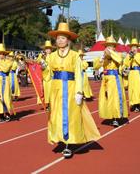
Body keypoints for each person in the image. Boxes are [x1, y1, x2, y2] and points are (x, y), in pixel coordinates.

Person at [42, 23, 100, 158]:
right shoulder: (51, 56)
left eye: (62, 38)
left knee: (71, 115)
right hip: (56, 89)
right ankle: (60, 138)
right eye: (57, 38)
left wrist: (79, 91)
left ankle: (69, 142)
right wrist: (44, 67)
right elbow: (47, 75)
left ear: (68, 40)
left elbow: (79, 74)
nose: (59, 41)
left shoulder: (74, 56)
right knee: (56, 115)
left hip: (71, 87)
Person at [94, 35, 128, 127]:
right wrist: (102, 58)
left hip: (114, 79)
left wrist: (111, 53)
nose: (108, 48)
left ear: (114, 47)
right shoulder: (103, 57)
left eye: (111, 46)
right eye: (107, 46)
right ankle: (110, 115)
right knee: (106, 98)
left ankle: (116, 117)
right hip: (105, 79)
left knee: (115, 98)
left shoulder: (118, 55)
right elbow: (96, 66)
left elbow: (120, 60)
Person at [123, 38, 140, 112]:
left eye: (135, 47)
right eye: (132, 47)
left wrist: (134, 56)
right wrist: (130, 57)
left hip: (139, 73)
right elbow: (126, 64)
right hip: (132, 74)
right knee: (133, 89)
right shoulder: (128, 55)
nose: (133, 48)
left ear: (137, 48)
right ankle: (134, 104)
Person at [36, 40, 54, 109]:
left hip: (52, 76)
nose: (48, 50)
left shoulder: (53, 56)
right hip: (44, 76)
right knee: (45, 91)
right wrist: (40, 57)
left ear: (51, 49)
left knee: (51, 91)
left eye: (49, 48)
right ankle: (48, 104)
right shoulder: (42, 56)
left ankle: (52, 104)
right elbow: (37, 63)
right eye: (46, 48)